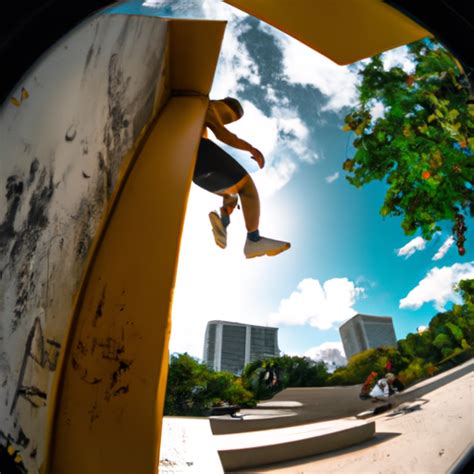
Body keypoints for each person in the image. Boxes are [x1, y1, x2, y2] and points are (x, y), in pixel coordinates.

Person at [193, 97, 291, 258]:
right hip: (202, 151)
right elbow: (224, 134)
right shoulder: (206, 104)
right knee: (247, 187)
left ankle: (223, 223)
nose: (224, 121)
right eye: (226, 116)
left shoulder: (196, 117)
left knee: (231, 194)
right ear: (221, 103)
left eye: (228, 121)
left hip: (196, 171)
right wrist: (252, 149)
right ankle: (254, 239)